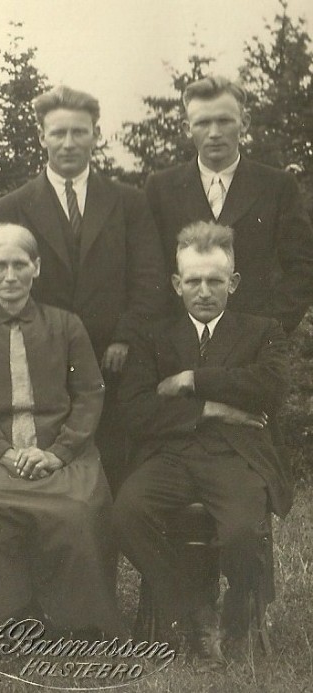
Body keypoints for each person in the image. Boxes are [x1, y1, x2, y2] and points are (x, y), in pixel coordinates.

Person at [113, 221, 290, 667]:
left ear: (233, 282)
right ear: (177, 283)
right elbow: (134, 410)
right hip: (171, 456)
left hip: (236, 457)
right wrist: (211, 409)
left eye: (215, 280)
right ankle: (191, 610)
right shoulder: (153, 334)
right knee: (126, 514)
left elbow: (269, 386)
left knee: (243, 532)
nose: (204, 291)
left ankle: (237, 608)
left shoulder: (261, 330)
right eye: (193, 280)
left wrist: (195, 379)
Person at [0, 224, 119, 642]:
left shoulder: (67, 326)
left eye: (20, 265)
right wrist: (2, 452)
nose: (10, 276)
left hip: (59, 450)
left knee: (77, 508)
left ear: (36, 268)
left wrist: (58, 452)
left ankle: (76, 626)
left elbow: (89, 394)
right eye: (0, 265)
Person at [0, 85, 167, 491]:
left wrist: (124, 337)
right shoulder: (9, 209)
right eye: (58, 133)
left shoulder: (129, 203)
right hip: (42, 357)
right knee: (51, 462)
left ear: (96, 135)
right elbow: (3, 286)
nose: (69, 143)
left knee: (113, 461)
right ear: (41, 137)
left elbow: (150, 279)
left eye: (79, 132)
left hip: (114, 359)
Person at [145, 75, 313, 334]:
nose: (214, 133)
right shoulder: (160, 187)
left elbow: (303, 268)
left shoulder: (278, 186)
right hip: (178, 342)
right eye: (202, 122)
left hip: (253, 345)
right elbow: (149, 270)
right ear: (187, 127)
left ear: (243, 123)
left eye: (224, 121)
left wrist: (271, 328)